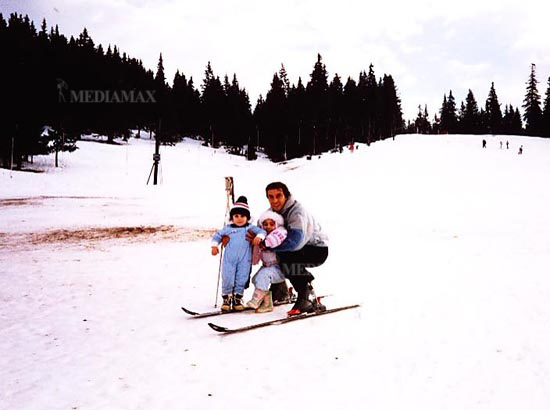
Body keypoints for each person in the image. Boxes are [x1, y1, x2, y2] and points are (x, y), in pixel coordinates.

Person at [248, 182, 329, 316]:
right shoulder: (272, 213)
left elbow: (295, 243)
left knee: (287, 257)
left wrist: (267, 245)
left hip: (317, 249)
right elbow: (261, 230)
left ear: (286, 195)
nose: (274, 200)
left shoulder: (297, 212)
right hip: (298, 249)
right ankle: (280, 291)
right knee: (278, 257)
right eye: (270, 197)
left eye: (278, 196)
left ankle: (305, 296)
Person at [211, 196, 266, 311]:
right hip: (229, 259)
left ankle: (237, 298)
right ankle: (226, 299)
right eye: (236, 216)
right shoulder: (228, 228)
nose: (239, 219)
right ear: (232, 217)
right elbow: (217, 236)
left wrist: (259, 237)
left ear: (248, 217)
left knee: (242, 277)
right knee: (228, 277)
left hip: (244, 260)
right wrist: (214, 246)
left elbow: (262, 231)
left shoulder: (250, 228)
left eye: (242, 216)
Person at [246, 210, 288, 313]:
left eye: (271, 224)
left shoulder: (279, 232)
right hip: (267, 266)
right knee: (256, 279)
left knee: (263, 276)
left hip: (279, 267)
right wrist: (255, 245)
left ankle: (256, 299)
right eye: (265, 224)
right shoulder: (262, 236)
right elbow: (255, 259)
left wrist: (261, 242)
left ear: (276, 224)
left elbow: (274, 240)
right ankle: (267, 303)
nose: (268, 226)